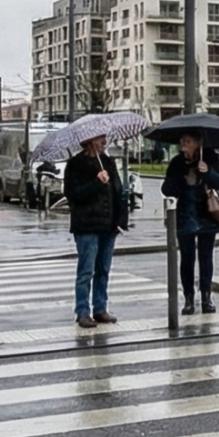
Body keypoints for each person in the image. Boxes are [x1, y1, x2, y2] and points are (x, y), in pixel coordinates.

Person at [64, 133, 129, 328]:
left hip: (108, 226)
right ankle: (82, 311)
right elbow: (73, 195)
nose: (104, 142)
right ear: (89, 140)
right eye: (100, 138)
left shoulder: (108, 162)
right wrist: (96, 183)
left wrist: (120, 221)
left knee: (103, 270)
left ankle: (100, 308)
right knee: (86, 271)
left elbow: (118, 191)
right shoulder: (76, 164)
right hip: (87, 226)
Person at [162, 135, 219, 315]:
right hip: (185, 217)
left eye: (188, 141)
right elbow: (166, 189)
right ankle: (189, 299)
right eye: (182, 140)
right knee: (187, 259)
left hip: (207, 215)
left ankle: (206, 297)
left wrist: (208, 172)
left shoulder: (210, 158)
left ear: (198, 143)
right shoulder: (177, 162)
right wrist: (180, 175)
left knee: (206, 258)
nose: (183, 144)